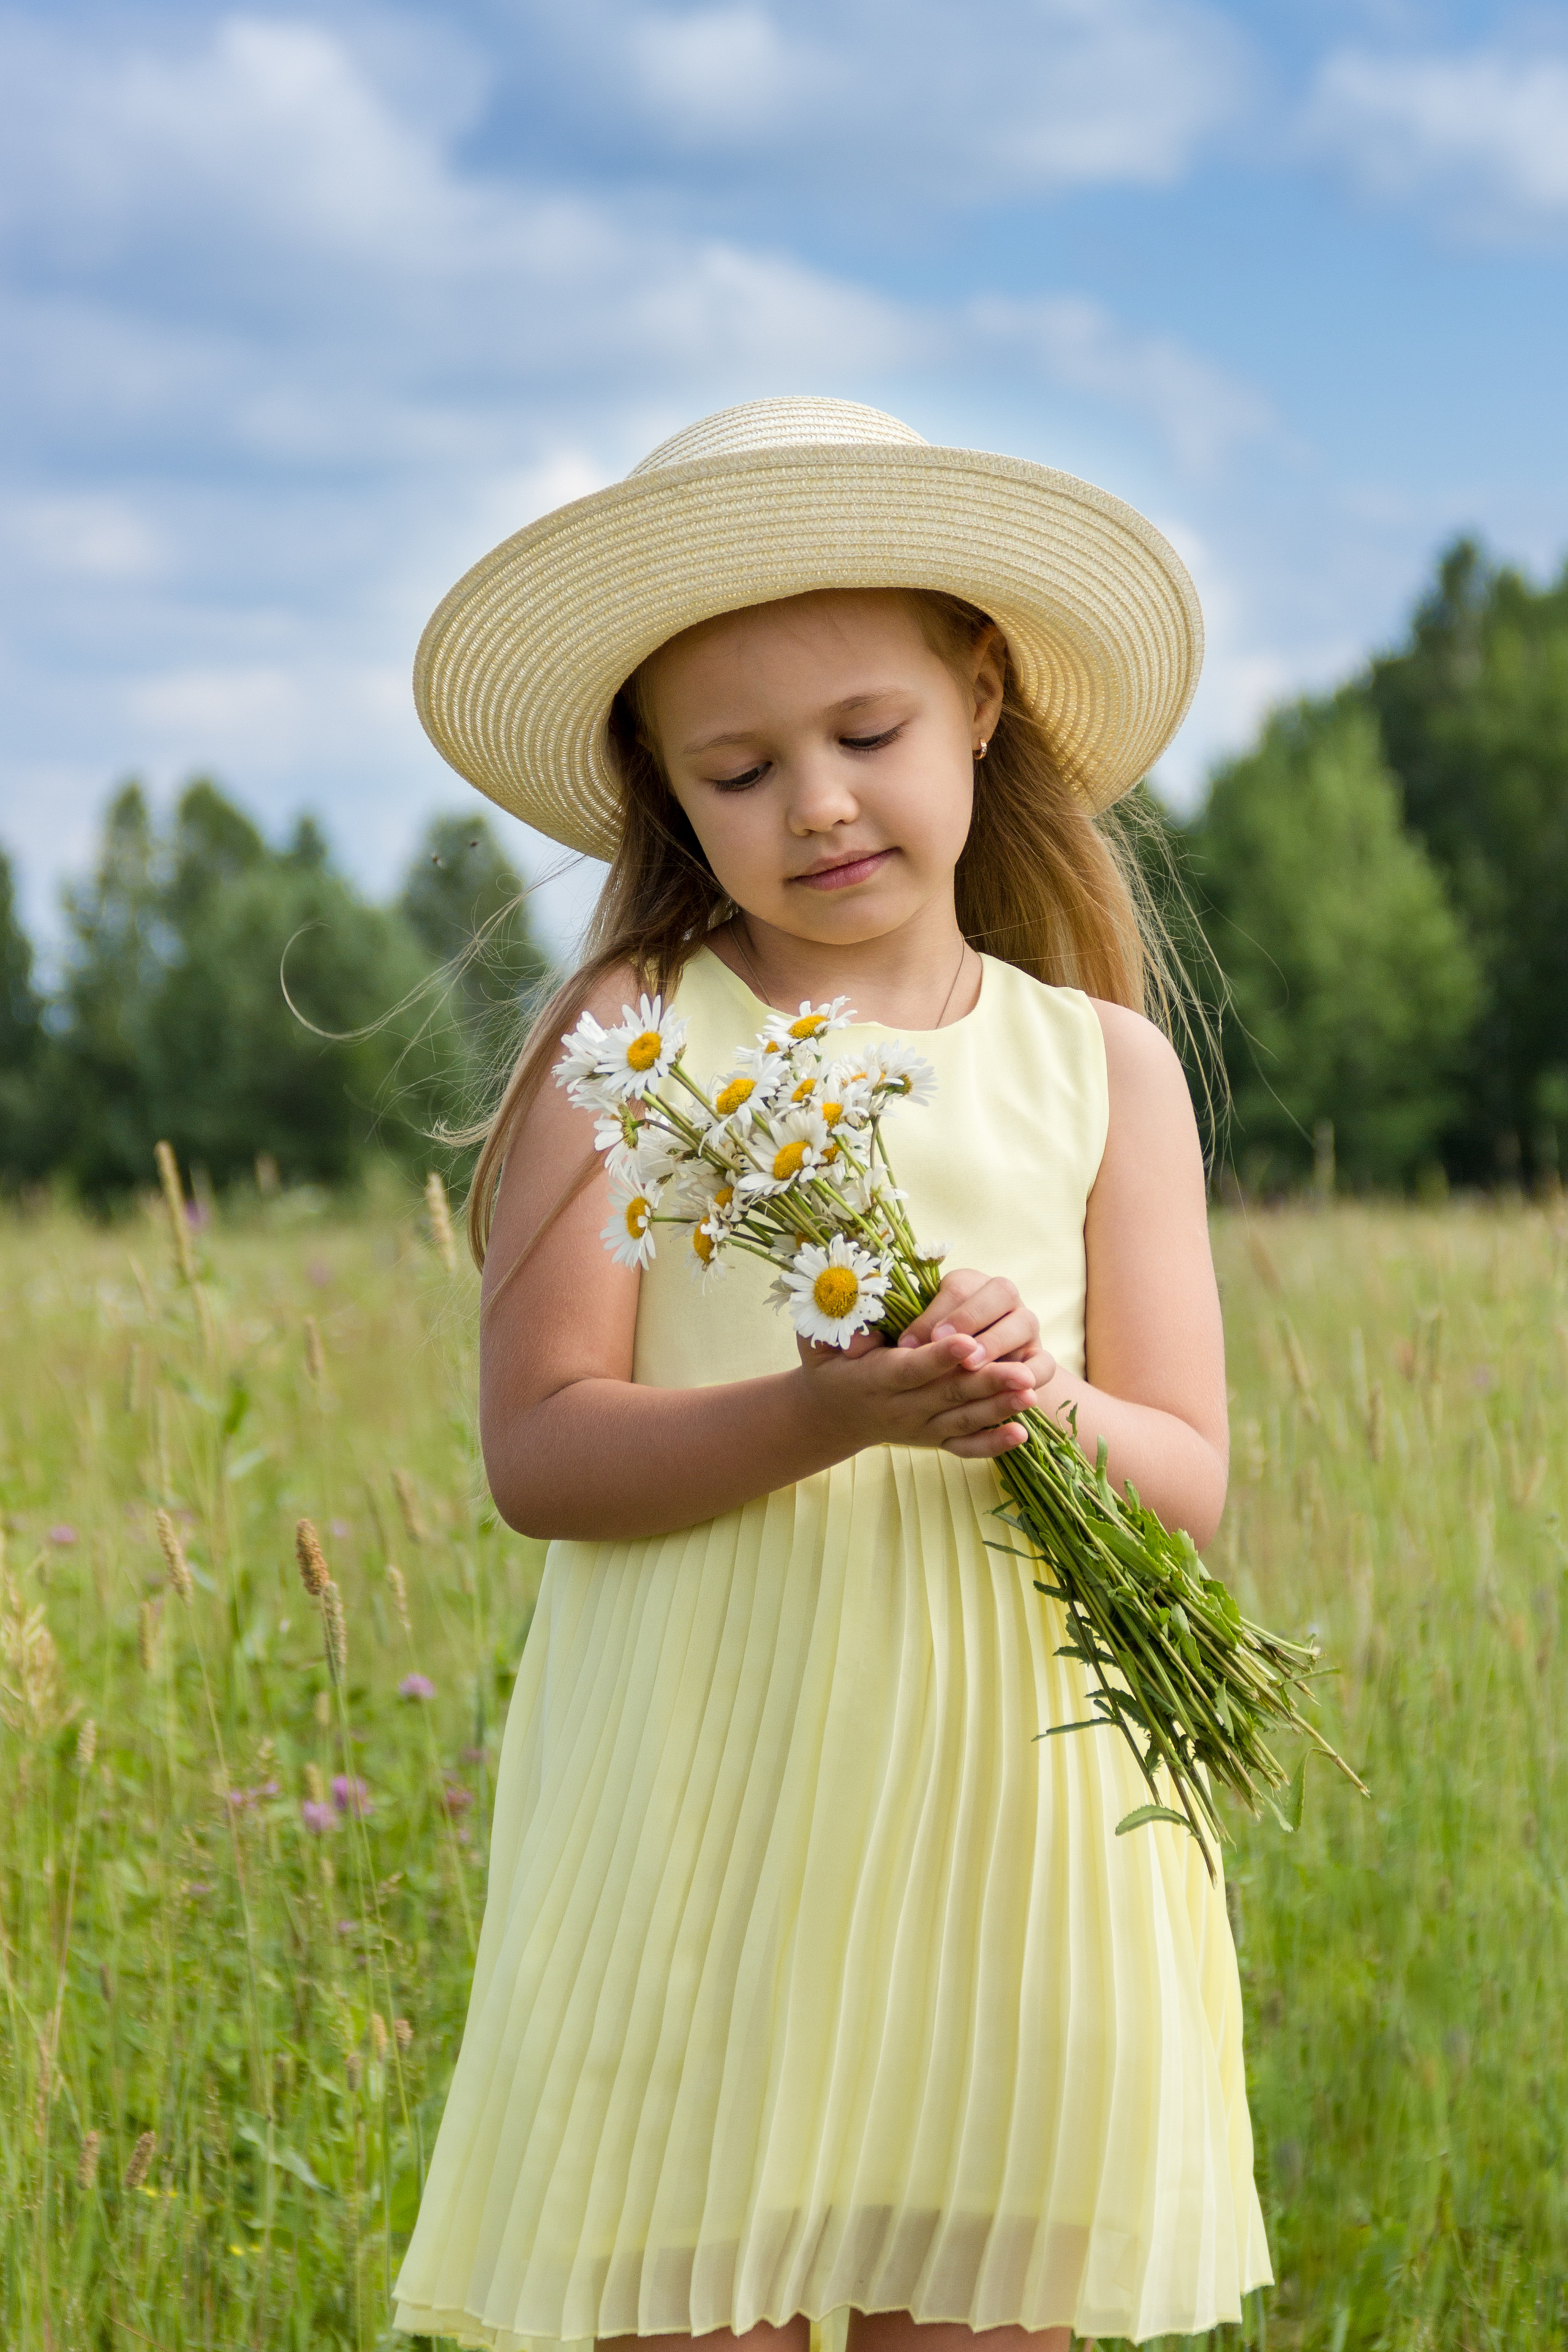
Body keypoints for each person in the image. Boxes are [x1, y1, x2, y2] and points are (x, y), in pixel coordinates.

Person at [392, 398, 1270, 2352]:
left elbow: (1189, 1477)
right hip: (707, 1807)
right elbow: (542, 1451)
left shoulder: (1101, 1067)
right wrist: (817, 1413)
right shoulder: (631, 1040)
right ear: (668, 797)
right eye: (740, 767)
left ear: (980, 702)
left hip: (1018, 1819)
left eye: (865, 735)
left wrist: (1025, 1395)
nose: (817, 804)